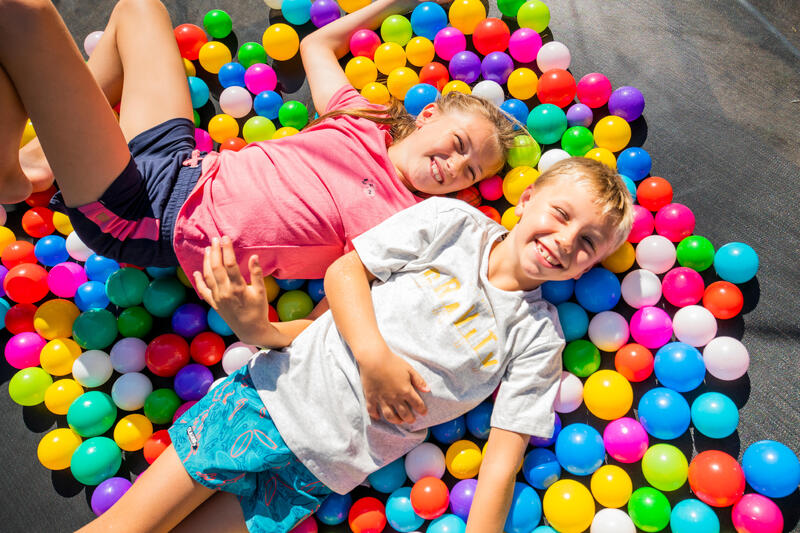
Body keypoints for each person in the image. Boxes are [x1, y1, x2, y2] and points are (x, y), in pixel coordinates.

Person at [77, 157, 634, 532]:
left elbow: (501, 462)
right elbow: (348, 272)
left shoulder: (539, 339)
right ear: (528, 196)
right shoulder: (453, 224)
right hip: (268, 403)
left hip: (319, 471)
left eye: (587, 243)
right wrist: (375, 361)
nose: (564, 242)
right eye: (561, 215)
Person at [0, 0, 516, 289]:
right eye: (458, 144)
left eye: (470, 171)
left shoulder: (409, 221)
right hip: (183, 162)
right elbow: (316, 44)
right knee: (139, 8)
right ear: (428, 116)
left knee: (24, 13)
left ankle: (11, 176)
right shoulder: (362, 116)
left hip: (149, 214)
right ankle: (43, 162)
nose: (456, 166)